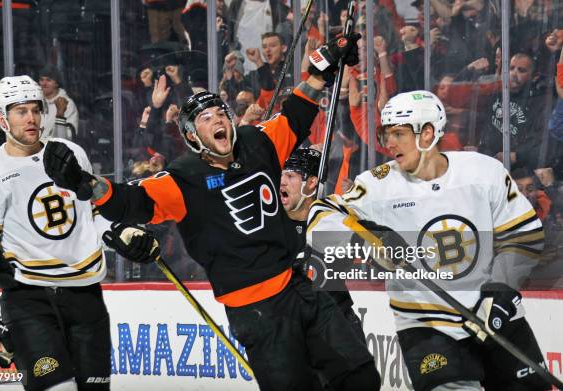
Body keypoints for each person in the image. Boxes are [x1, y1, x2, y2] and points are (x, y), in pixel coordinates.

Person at [43, 35, 382, 390]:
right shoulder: (182, 178)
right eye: (207, 117)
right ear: (191, 134)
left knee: (360, 377)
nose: (219, 119)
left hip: (300, 287)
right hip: (256, 310)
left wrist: (321, 69)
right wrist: (84, 183)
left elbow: (296, 114)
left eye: (222, 112)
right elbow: (129, 202)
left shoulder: (257, 141)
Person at [306, 90, 550, 390]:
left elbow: (524, 234)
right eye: (386, 134)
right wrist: (366, 237)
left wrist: (501, 290)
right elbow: (319, 216)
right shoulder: (377, 184)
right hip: (427, 328)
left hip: (496, 314)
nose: (389, 143)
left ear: (428, 133)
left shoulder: (483, 172)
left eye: (398, 133)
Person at [0, 76, 113, 391]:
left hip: (84, 296)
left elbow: (92, 213)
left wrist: (119, 231)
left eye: (35, 109)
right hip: (29, 301)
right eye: (20, 111)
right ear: (2, 118)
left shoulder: (70, 152)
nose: (31, 118)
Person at [280, 147, 371, 350]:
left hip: (338, 329)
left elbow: (373, 255)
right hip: (292, 332)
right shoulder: (269, 226)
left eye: (290, 175)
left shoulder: (333, 221)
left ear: (311, 183)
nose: (282, 182)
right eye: (281, 175)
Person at [38, 65, 79, 140]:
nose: (44, 83)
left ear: (57, 83)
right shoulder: (36, 101)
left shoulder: (68, 104)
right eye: (41, 80)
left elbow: (69, 136)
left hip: (55, 149)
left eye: (48, 80)